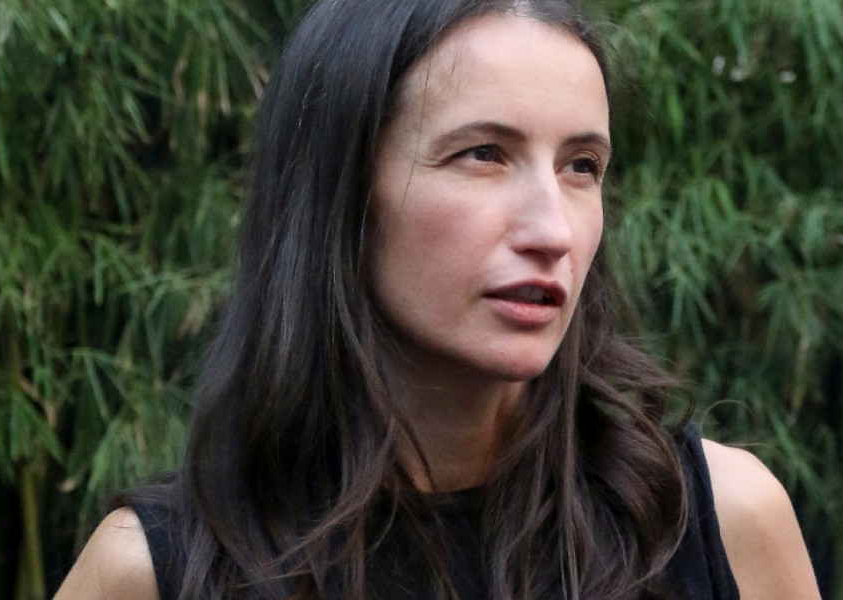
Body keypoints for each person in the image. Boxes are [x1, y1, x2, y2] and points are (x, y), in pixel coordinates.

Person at [54, 0, 821, 598]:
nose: (553, 230)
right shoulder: (157, 571)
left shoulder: (717, 524)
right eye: (483, 154)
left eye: (582, 165)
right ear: (342, 192)